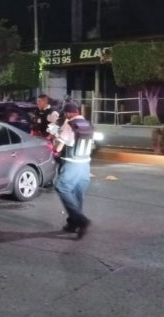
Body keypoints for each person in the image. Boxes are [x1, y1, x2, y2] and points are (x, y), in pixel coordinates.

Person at [49, 102, 94, 239]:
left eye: (65, 114)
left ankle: (82, 220)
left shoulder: (69, 125)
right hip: (85, 165)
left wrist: (55, 136)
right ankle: (73, 224)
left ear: (68, 113)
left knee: (61, 187)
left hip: (72, 165)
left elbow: (58, 148)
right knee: (77, 195)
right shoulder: (88, 125)